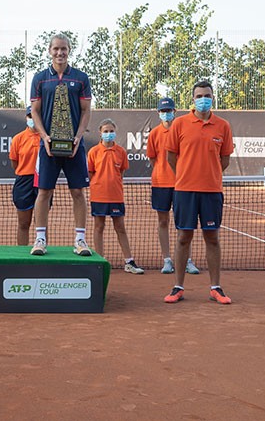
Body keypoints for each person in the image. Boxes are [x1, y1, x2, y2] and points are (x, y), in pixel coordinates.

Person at [164, 80, 234, 305]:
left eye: (207, 96)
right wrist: (185, 175)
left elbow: (224, 160)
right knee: (183, 237)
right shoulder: (179, 124)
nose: (203, 99)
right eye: (199, 96)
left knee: (212, 238)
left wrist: (208, 175)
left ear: (213, 98)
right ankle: (178, 287)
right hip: (184, 191)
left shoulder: (223, 126)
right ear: (192, 99)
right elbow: (171, 157)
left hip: (212, 191)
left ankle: (215, 287)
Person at [28, 33, 92, 256]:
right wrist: (44, 136)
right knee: (44, 192)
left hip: (74, 145)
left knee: (78, 192)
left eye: (63, 48)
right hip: (48, 146)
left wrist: (78, 136)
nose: (60, 52)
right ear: (49, 51)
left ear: (69, 50)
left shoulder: (81, 78)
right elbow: (35, 111)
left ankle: (80, 240)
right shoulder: (39, 79)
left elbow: (86, 110)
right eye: (56, 48)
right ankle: (40, 239)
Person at [146, 97, 199, 276]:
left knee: (183, 224)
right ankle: (167, 260)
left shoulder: (183, 130)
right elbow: (153, 158)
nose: (166, 114)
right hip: (160, 183)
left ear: (174, 112)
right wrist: (162, 171)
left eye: (168, 111)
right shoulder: (154, 134)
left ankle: (186, 260)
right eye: (163, 111)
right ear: (158, 113)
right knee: (163, 221)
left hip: (181, 184)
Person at [86, 119, 143, 273]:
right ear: (100, 133)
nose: (109, 134)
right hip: (98, 196)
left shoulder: (121, 152)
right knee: (99, 227)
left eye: (111, 131)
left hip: (116, 196)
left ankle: (129, 262)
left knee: (120, 228)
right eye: (106, 131)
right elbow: (90, 173)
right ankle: (100, 261)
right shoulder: (93, 152)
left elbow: (121, 172)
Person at [8, 106, 40, 245]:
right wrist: (25, 171)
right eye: (30, 116)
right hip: (23, 182)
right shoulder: (18, 139)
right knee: (23, 223)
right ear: (27, 118)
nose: (32, 119)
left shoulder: (46, 137)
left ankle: (42, 249)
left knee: (41, 224)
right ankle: (22, 254)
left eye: (35, 115)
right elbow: (14, 162)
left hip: (42, 182)